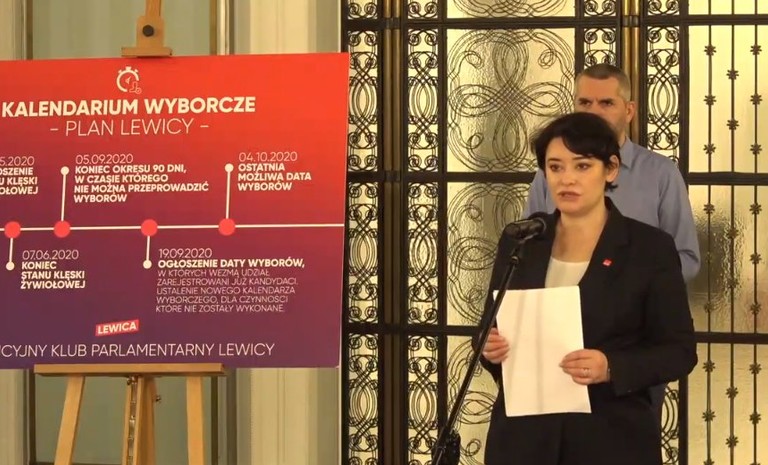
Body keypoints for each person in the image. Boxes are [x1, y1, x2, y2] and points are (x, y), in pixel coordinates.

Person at [479, 112, 697, 465]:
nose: (567, 179)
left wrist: (611, 367)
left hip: (611, 439)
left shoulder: (648, 248)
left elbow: (679, 351)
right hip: (524, 441)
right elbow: (488, 328)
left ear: (610, 170)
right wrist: (489, 348)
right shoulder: (522, 240)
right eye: (555, 167)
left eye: (582, 166)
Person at [523, 63, 700, 421]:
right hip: (555, 350)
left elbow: (685, 257)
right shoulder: (547, 177)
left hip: (632, 347)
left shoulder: (661, 174)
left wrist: (628, 291)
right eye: (584, 102)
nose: (594, 112)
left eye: (606, 103)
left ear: (629, 110)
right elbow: (531, 252)